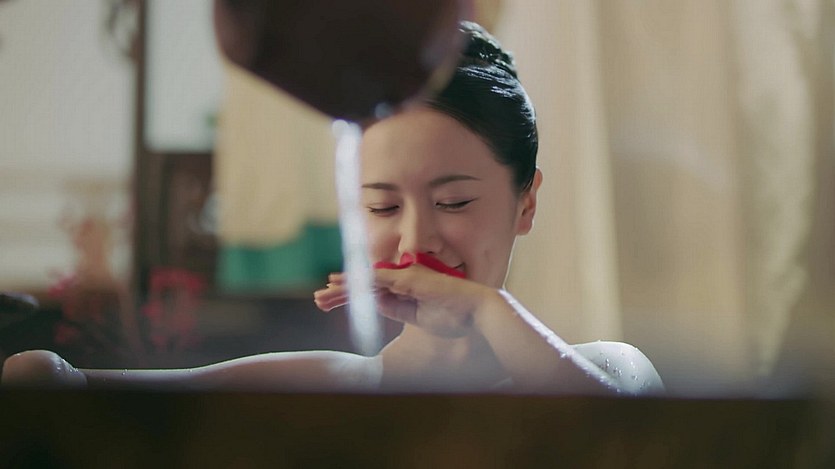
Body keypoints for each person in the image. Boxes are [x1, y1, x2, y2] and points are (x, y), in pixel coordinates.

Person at [1, 22, 664, 396]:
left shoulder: (611, 365)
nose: (416, 239)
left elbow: (626, 430)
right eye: (382, 206)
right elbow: (67, 391)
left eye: (453, 200)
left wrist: (487, 310)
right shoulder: (328, 384)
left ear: (526, 202)